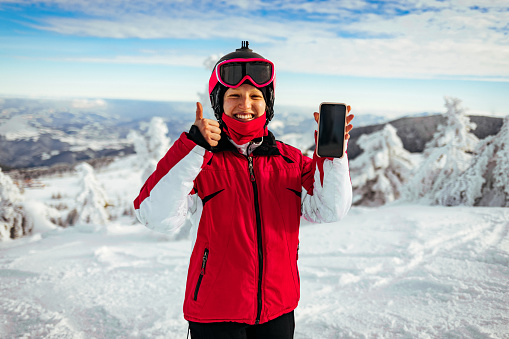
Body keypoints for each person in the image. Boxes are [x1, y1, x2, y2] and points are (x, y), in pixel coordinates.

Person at [133, 41, 354, 339]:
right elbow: (155, 217)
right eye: (234, 96)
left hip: (278, 310)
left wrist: (332, 158)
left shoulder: (290, 161)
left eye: (255, 96)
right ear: (219, 104)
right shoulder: (201, 161)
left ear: (268, 103)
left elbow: (329, 210)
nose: (245, 105)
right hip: (215, 312)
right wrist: (191, 147)